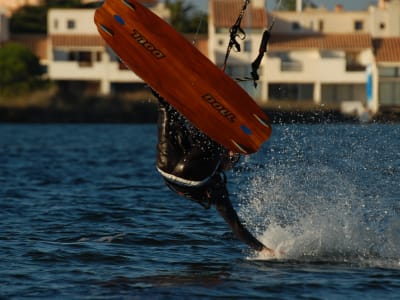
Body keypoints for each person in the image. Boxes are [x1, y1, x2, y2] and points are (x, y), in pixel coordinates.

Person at [154, 90, 274, 255]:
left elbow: (236, 227)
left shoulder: (214, 182)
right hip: (167, 169)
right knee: (168, 107)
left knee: (169, 112)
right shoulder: (216, 189)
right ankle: (157, 87)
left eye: (232, 158)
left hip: (171, 167)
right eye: (231, 157)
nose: (230, 158)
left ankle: (160, 94)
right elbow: (236, 227)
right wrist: (263, 249)